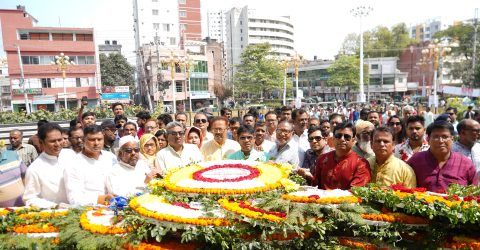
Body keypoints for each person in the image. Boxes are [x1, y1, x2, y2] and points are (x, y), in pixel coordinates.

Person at [407, 121, 478, 193]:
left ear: (452, 139)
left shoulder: (466, 164)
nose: (440, 141)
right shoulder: (416, 160)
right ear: (428, 139)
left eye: (445, 137)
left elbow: (473, 194)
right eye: (436, 137)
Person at [302, 122, 371, 190]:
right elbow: (315, 185)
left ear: (353, 140)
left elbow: (356, 191)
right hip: (321, 200)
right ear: (333, 139)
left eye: (347, 137)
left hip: (346, 200)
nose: (342, 139)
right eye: (338, 136)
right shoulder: (322, 159)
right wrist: (307, 176)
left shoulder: (361, 164)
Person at [63, 125, 118, 206]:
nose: (96, 143)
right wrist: (102, 199)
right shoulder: (74, 164)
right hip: (91, 211)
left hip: (118, 205)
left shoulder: (111, 157)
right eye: (92, 140)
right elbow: (74, 199)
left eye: (99, 139)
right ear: (83, 140)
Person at [23, 123, 68, 208]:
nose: (57, 144)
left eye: (59, 139)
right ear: (41, 142)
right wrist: (55, 206)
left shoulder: (70, 155)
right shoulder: (35, 169)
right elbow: (29, 199)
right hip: (57, 216)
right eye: (52, 141)